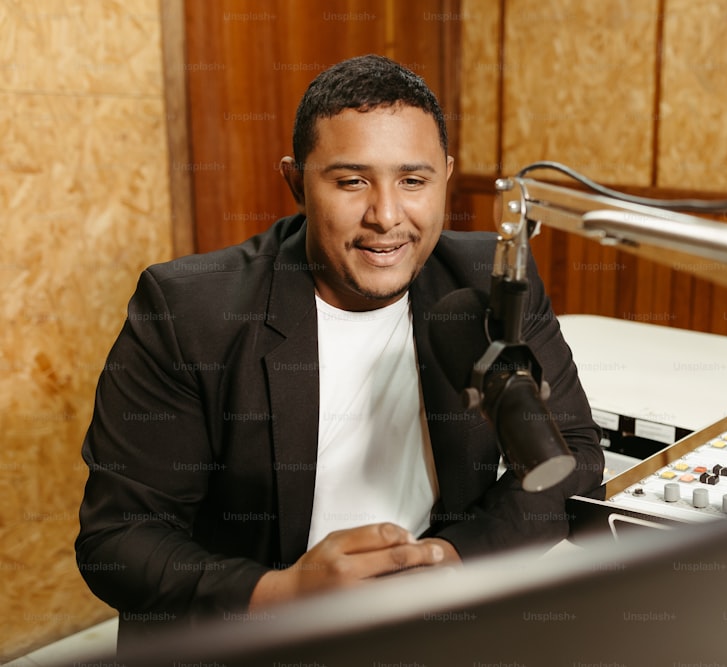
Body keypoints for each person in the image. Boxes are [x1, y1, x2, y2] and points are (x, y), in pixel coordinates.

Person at [75, 54, 604, 647]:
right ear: (296, 181)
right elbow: (118, 539)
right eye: (352, 181)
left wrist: (451, 561)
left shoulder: (491, 281)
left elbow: (573, 457)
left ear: (446, 176)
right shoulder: (189, 311)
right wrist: (281, 597)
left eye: (413, 180)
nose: (386, 216)